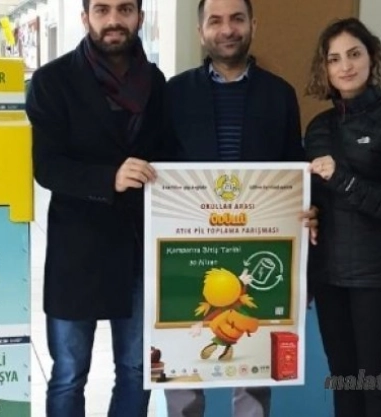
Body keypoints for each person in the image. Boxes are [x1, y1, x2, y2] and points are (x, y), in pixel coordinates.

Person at [24, 1, 179, 416]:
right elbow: (47, 167)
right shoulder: (52, 81)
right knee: (69, 373)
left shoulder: (155, 83)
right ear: (85, 18)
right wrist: (109, 178)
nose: (114, 20)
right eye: (102, 9)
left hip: (137, 249)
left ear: (140, 18)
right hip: (77, 250)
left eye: (125, 9)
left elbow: (169, 156)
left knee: (136, 369)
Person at [164, 0, 317, 416]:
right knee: (183, 361)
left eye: (237, 19)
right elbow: (159, 167)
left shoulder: (279, 94)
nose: (227, 29)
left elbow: (293, 169)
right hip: (188, 248)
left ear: (253, 24)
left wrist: (305, 214)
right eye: (215, 21)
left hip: (258, 246)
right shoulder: (173, 93)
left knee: (253, 360)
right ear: (201, 31)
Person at [302, 17, 381, 417]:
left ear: (372, 58)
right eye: (334, 58)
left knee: (375, 380)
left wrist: (342, 178)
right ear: (325, 69)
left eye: (354, 54)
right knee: (343, 380)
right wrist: (310, 214)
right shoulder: (318, 128)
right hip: (329, 276)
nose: (345, 66)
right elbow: (316, 200)